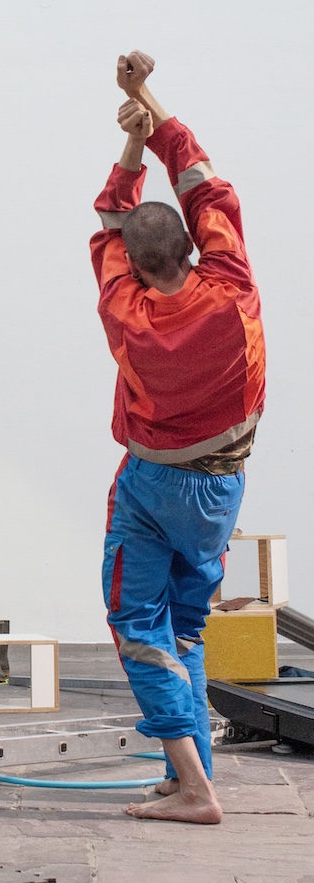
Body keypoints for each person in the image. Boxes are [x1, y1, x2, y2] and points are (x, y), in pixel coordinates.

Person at [90, 51, 265, 824]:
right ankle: (188, 773)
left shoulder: (123, 305)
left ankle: (193, 788)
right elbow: (201, 178)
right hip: (222, 488)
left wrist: (128, 149)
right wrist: (144, 102)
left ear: (135, 258)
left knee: (136, 624)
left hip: (154, 485)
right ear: (191, 248)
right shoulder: (232, 290)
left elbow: (106, 219)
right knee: (186, 625)